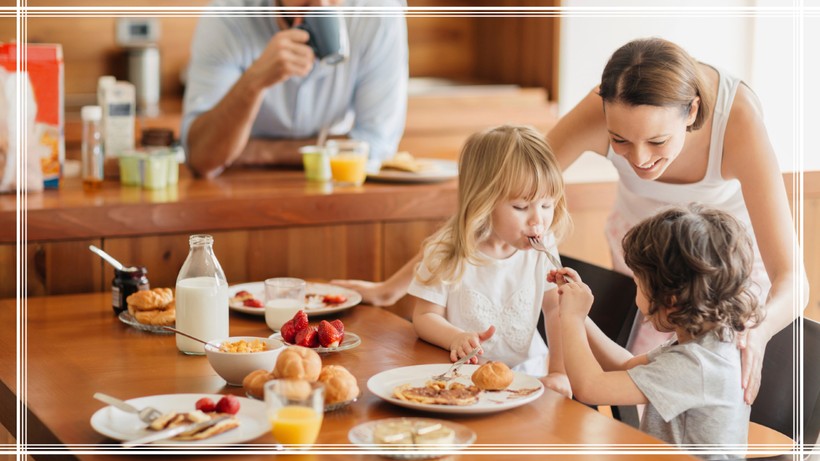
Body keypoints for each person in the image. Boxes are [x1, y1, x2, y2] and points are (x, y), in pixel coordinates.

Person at [334, 37, 809, 404]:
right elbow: (491, 200)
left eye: (658, 143)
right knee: (644, 388)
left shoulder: (737, 117)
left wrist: (759, 330)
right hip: (642, 258)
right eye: (619, 141)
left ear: (693, 112)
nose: (639, 160)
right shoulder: (604, 103)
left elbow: (794, 279)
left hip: (722, 273)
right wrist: (391, 289)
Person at [555, 204, 764, 459]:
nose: (636, 291)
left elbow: (589, 387)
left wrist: (571, 319)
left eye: (637, 283)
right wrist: (582, 317)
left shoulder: (696, 365)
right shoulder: (707, 341)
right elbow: (627, 365)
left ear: (671, 299)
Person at [408, 124, 573, 397]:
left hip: (527, 374)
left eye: (546, 205)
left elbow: (555, 309)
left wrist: (558, 371)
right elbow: (424, 316)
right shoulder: (449, 249)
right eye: (521, 207)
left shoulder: (543, 248)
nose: (538, 219)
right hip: (463, 378)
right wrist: (455, 337)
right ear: (482, 201)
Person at [181, 0, 408, 178]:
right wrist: (254, 82)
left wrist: (256, 151)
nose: (321, 7)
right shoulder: (228, 18)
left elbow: (376, 146)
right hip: (240, 191)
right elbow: (202, 157)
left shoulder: (378, 15)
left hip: (333, 187)